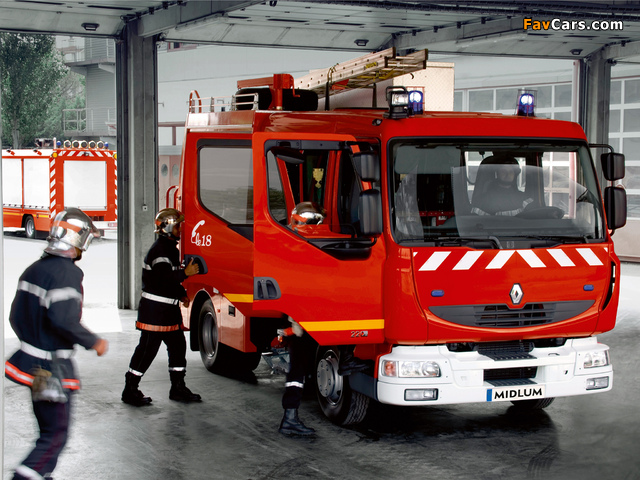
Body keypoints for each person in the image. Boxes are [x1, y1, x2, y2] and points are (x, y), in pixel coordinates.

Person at [4, 207, 109, 480]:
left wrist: (34, 341)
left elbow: (15, 317)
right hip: (51, 368)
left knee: (47, 431)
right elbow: (63, 320)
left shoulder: (35, 269)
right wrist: (94, 341)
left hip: (33, 363)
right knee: (55, 436)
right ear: (78, 239)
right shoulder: (66, 273)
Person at [122, 208, 201, 406]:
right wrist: (185, 273)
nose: (180, 230)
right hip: (155, 313)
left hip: (167, 313)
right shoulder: (160, 250)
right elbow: (163, 278)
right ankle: (130, 389)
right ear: (168, 227)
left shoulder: (169, 248)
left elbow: (169, 279)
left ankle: (178, 388)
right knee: (147, 350)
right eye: (178, 226)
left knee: (178, 347)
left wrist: (181, 293)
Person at [277, 316, 316, 437]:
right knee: (297, 370)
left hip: (297, 325)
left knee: (298, 369)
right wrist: (295, 323)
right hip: (297, 327)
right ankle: (289, 420)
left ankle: (290, 418)